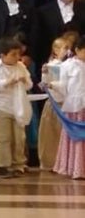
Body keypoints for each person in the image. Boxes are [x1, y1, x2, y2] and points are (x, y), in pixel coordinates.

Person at [0, 37, 33, 178]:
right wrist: (7, 82)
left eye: (18, 54)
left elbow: (29, 85)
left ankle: (19, 164)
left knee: (19, 138)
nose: (17, 57)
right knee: (2, 137)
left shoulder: (21, 67)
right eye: (13, 54)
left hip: (18, 107)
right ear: (3, 55)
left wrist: (25, 81)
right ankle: (2, 165)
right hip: (2, 107)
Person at [48, 36, 85, 179]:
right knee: (76, 136)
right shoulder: (68, 65)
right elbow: (62, 85)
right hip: (75, 106)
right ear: (77, 50)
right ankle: (75, 168)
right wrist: (51, 85)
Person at [32, 0, 85, 70]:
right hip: (52, 64)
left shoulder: (83, 9)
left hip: (80, 65)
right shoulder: (43, 12)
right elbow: (39, 40)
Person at [37, 37, 68, 170]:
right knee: (51, 135)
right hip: (55, 104)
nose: (67, 51)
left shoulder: (69, 65)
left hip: (66, 103)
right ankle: (51, 162)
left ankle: (64, 162)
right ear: (55, 50)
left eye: (68, 48)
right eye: (64, 48)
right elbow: (50, 85)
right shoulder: (53, 65)